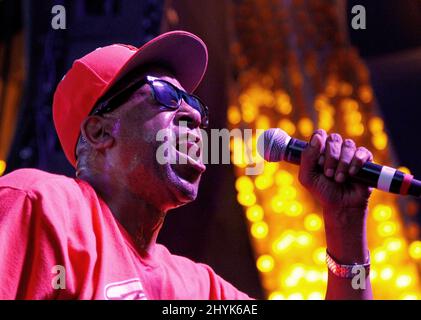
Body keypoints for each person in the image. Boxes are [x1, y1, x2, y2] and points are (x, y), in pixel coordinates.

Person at [0, 31, 373, 300]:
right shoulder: (40, 205)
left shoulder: (200, 289)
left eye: (196, 104)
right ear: (99, 131)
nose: (193, 113)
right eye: (166, 95)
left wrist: (344, 223)